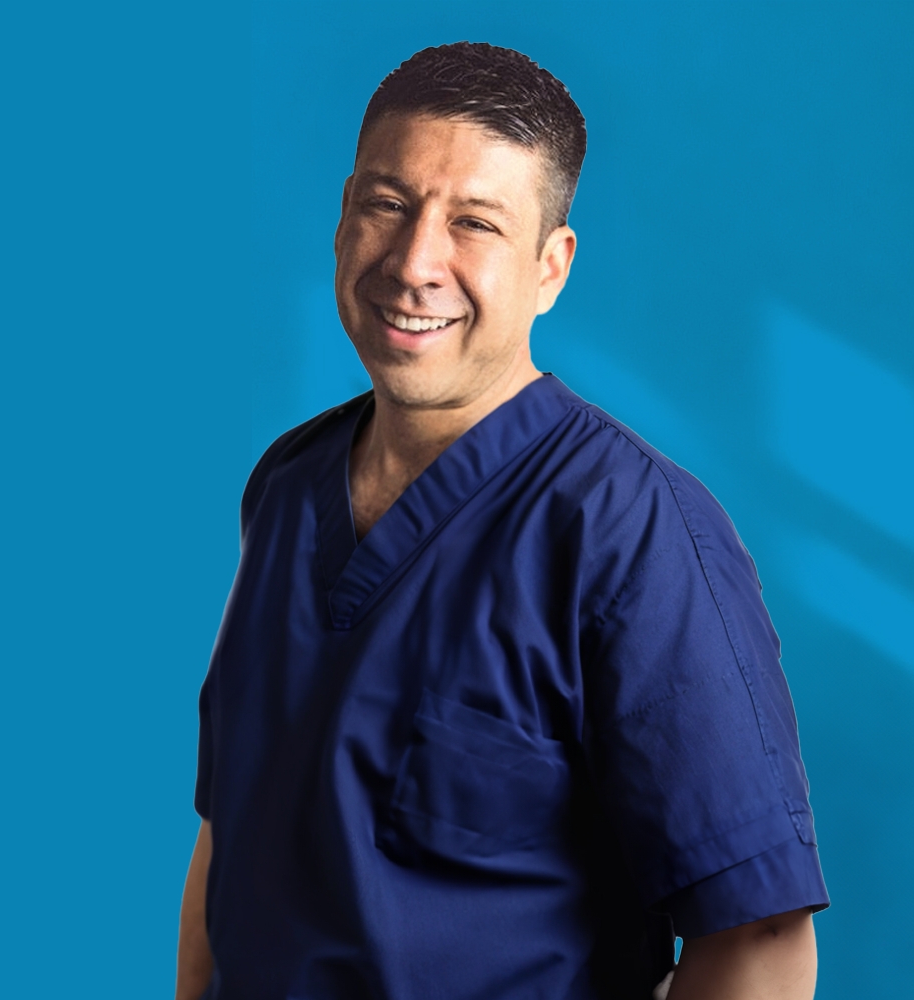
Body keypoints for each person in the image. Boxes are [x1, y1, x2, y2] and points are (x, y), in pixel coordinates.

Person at [176, 42, 829, 1000]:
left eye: (474, 223)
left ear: (549, 268)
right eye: (387, 205)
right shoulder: (286, 485)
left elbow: (760, 940)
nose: (414, 264)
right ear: (344, 216)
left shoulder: (632, 531)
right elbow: (229, 835)